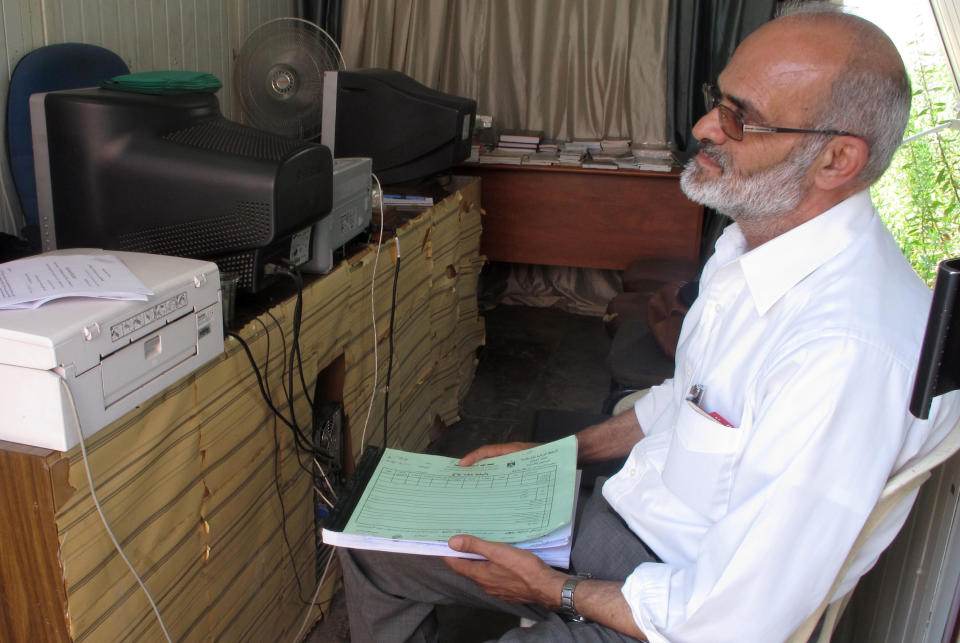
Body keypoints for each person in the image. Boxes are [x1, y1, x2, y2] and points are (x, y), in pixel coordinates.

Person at [338, 5, 960, 642]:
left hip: (673, 607)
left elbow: (734, 619)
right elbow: (682, 404)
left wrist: (556, 590)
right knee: (372, 544)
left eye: (740, 117)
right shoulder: (752, 247)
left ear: (836, 160)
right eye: (717, 99)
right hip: (620, 523)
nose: (703, 127)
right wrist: (559, 458)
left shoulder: (847, 353)